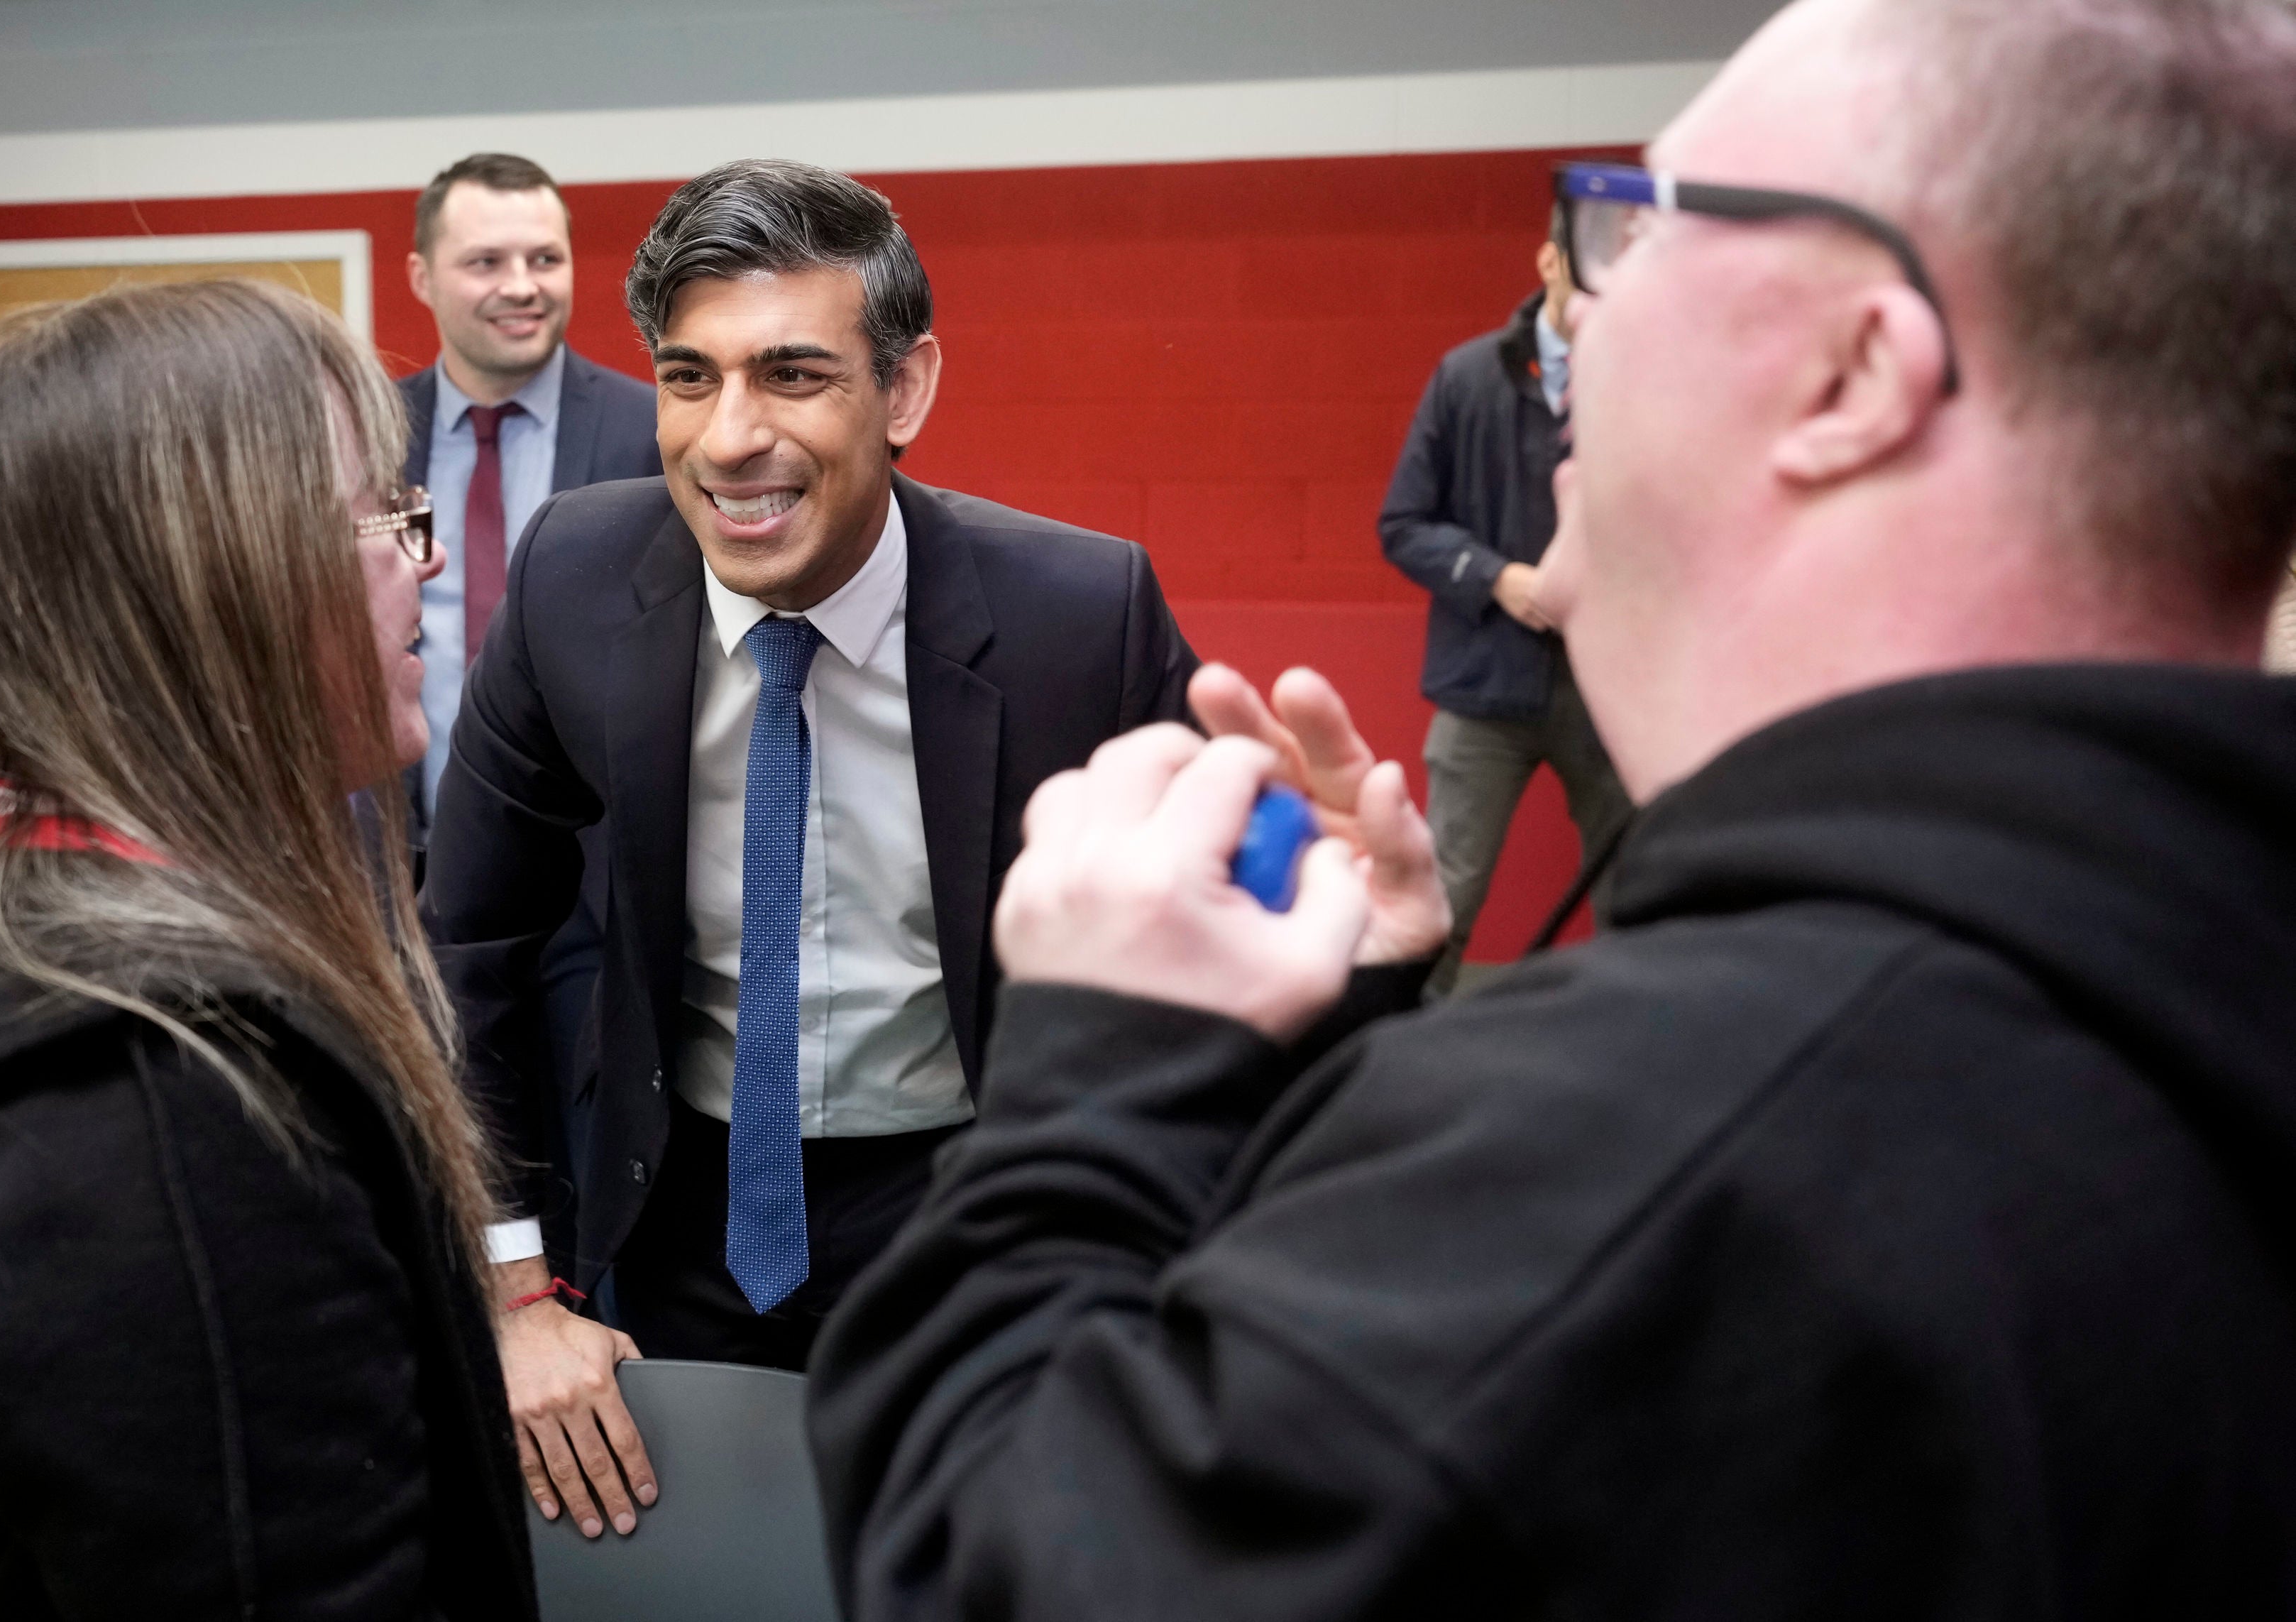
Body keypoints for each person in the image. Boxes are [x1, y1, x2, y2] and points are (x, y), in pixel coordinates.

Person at [809, 0, 2296, 1614]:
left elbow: (997, 1568)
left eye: (1642, 227)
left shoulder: (1679, 1139)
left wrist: (1098, 1070)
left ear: (1852, 372)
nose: (1575, 307)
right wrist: (1350, 1054)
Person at [422, 158, 1199, 1540]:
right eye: (687, 377)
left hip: (970, 1209)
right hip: (674, 1205)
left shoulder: (1085, 616)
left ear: (903, 390)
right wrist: (515, 1283)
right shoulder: (576, 577)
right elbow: (470, 944)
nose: (729, 438)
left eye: (791, 375)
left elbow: (1211, 978)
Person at [0, 280, 536, 1618]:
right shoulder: (167, 1092)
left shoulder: (5, 917)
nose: (422, 562)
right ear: (218, 581)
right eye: (378, 518)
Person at [401, 154, 664, 1241]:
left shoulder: (653, 431)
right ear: (422, 277)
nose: (524, 283)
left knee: (580, 1176)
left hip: (592, 890)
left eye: (546, 257)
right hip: (395, 879)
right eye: (488, 260)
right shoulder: (371, 433)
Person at [1379, 209, 1630, 994]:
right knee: (1443, 892)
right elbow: (1402, 522)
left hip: (1609, 689)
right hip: (1484, 687)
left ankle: (1642, 1057)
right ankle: (1400, 1064)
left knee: (1638, 881)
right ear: (1548, 262)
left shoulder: (1645, 381)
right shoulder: (1465, 377)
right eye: (1584, 267)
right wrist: (1496, 577)